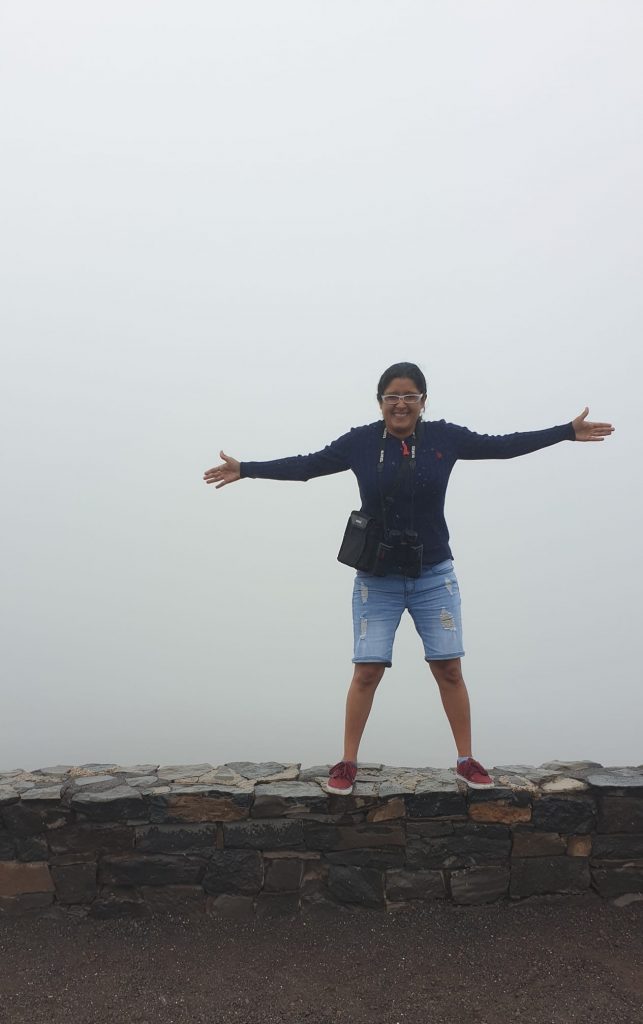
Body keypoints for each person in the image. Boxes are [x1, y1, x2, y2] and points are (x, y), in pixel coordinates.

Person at [203, 362, 614, 796]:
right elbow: (307, 466)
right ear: (380, 403)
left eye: (410, 396)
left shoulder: (444, 438)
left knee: (449, 669)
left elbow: (504, 446)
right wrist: (246, 468)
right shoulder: (360, 442)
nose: (401, 404)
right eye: (392, 396)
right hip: (376, 576)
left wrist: (566, 431)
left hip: (433, 573)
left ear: (423, 402)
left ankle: (465, 760)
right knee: (367, 671)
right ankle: (346, 762)